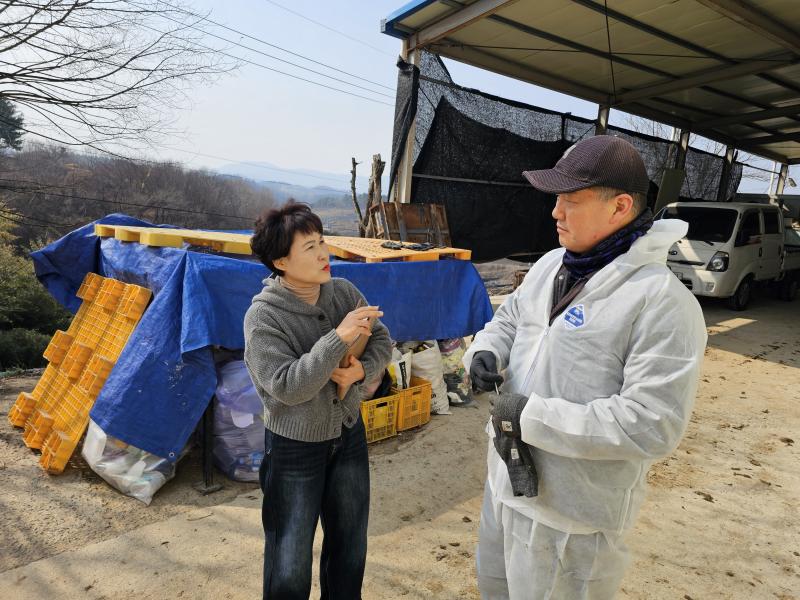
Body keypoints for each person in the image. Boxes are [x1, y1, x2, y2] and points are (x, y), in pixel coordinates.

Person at [463, 135, 707, 599]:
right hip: (507, 481)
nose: (555, 213)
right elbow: (512, 318)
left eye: (571, 201)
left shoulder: (660, 302)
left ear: (619, 207)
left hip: (571, 519)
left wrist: (529, 416)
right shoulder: (552, 265)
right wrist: (485, 350)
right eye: (557, 200)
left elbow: (652, 423)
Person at [244, 201, 392, 599]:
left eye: (322, 241)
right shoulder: (264, 317)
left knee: (349, 547)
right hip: (294, 448)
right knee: (289, 559)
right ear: (280, 261)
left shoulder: (342, 292)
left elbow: (381, 337)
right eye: (310, 247)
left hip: (347, 435)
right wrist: (338, 339)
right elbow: (287, 386)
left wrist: (362, 372)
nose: (324, 253)